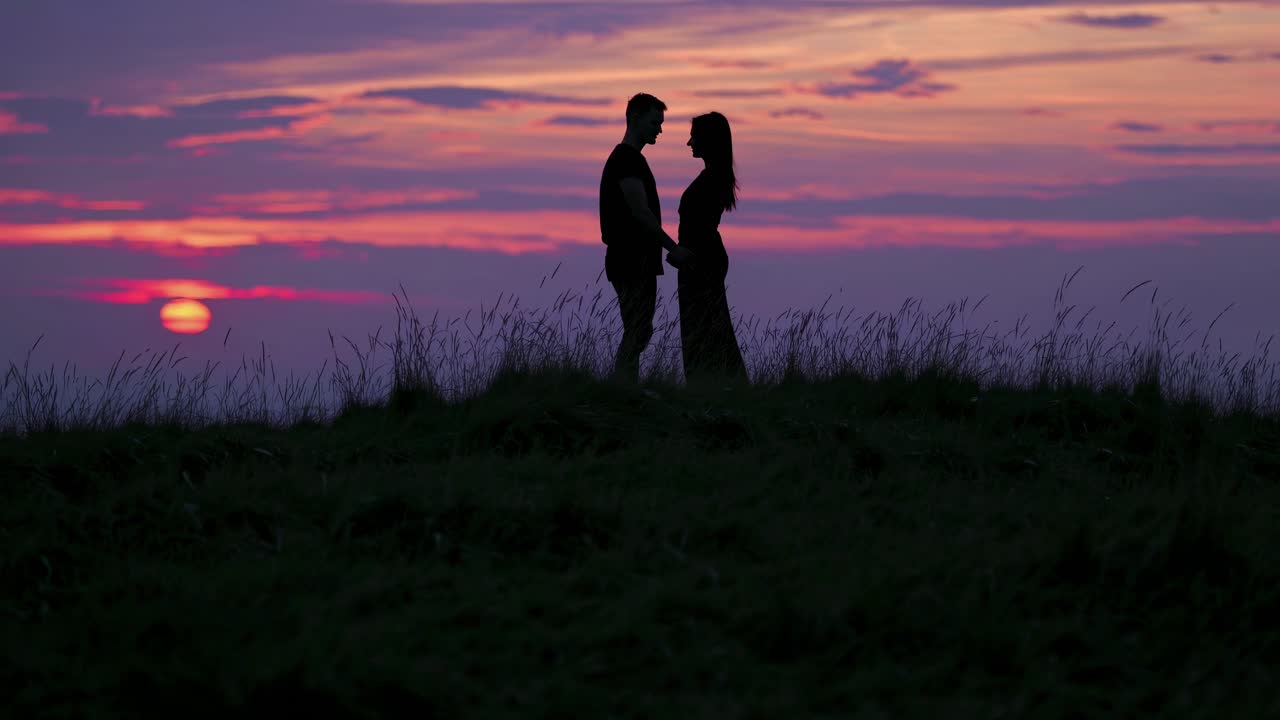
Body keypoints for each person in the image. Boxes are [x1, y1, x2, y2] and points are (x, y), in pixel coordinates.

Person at [598, 92, 695, 382]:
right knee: (637, 329)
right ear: (634, 118)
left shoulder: (630, 160)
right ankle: (623, 390)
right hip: (630, 259)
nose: (660, 130)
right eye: (655, 122)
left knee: (639, 329)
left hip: (635, 259)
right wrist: (673, 247)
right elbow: (640, 211)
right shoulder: (627, 160)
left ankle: (626, 388)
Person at [670, 111, 747, 382]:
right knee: (707, 324)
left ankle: (712, 383)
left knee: (704, 326)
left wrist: (684, 251)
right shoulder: (714, 176)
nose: (689, 143)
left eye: (694, 136)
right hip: (700, 258)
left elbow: (699, 227)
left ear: (707, 140)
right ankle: (718, 383)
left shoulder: (712, 178)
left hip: (700, 260)